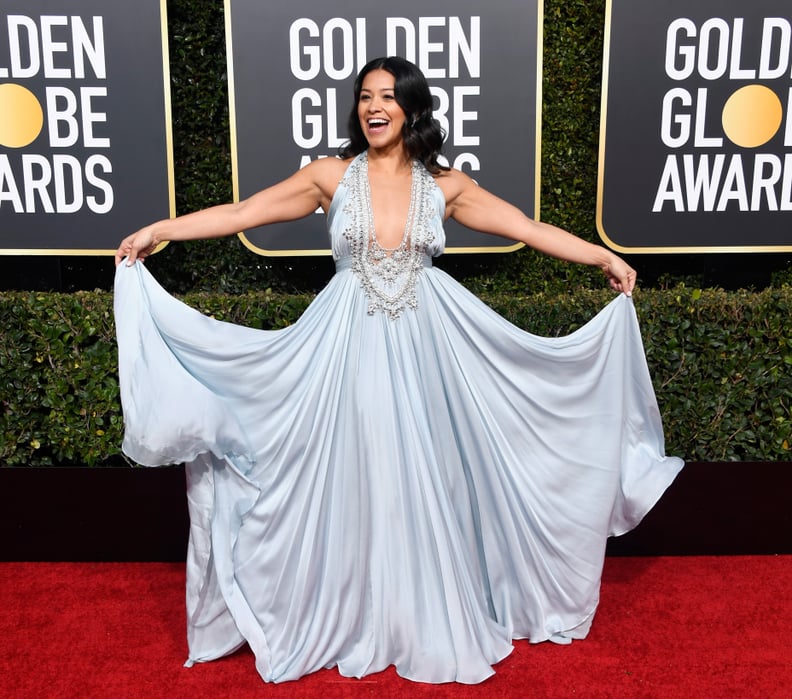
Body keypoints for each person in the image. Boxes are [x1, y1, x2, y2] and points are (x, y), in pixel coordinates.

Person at [114, 56, 682, 684]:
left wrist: (600, 254)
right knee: (357, 463)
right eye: (364, 96)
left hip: (427, 345)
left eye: (387, 95)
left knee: (425, 466)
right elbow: (242, 213)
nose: (374, 106)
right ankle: (354, 609)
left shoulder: (446, 186)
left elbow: (524, 226)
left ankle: (423, 611)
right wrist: (159, 231)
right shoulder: (330, 176)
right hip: (345, 342)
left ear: (412, 107)